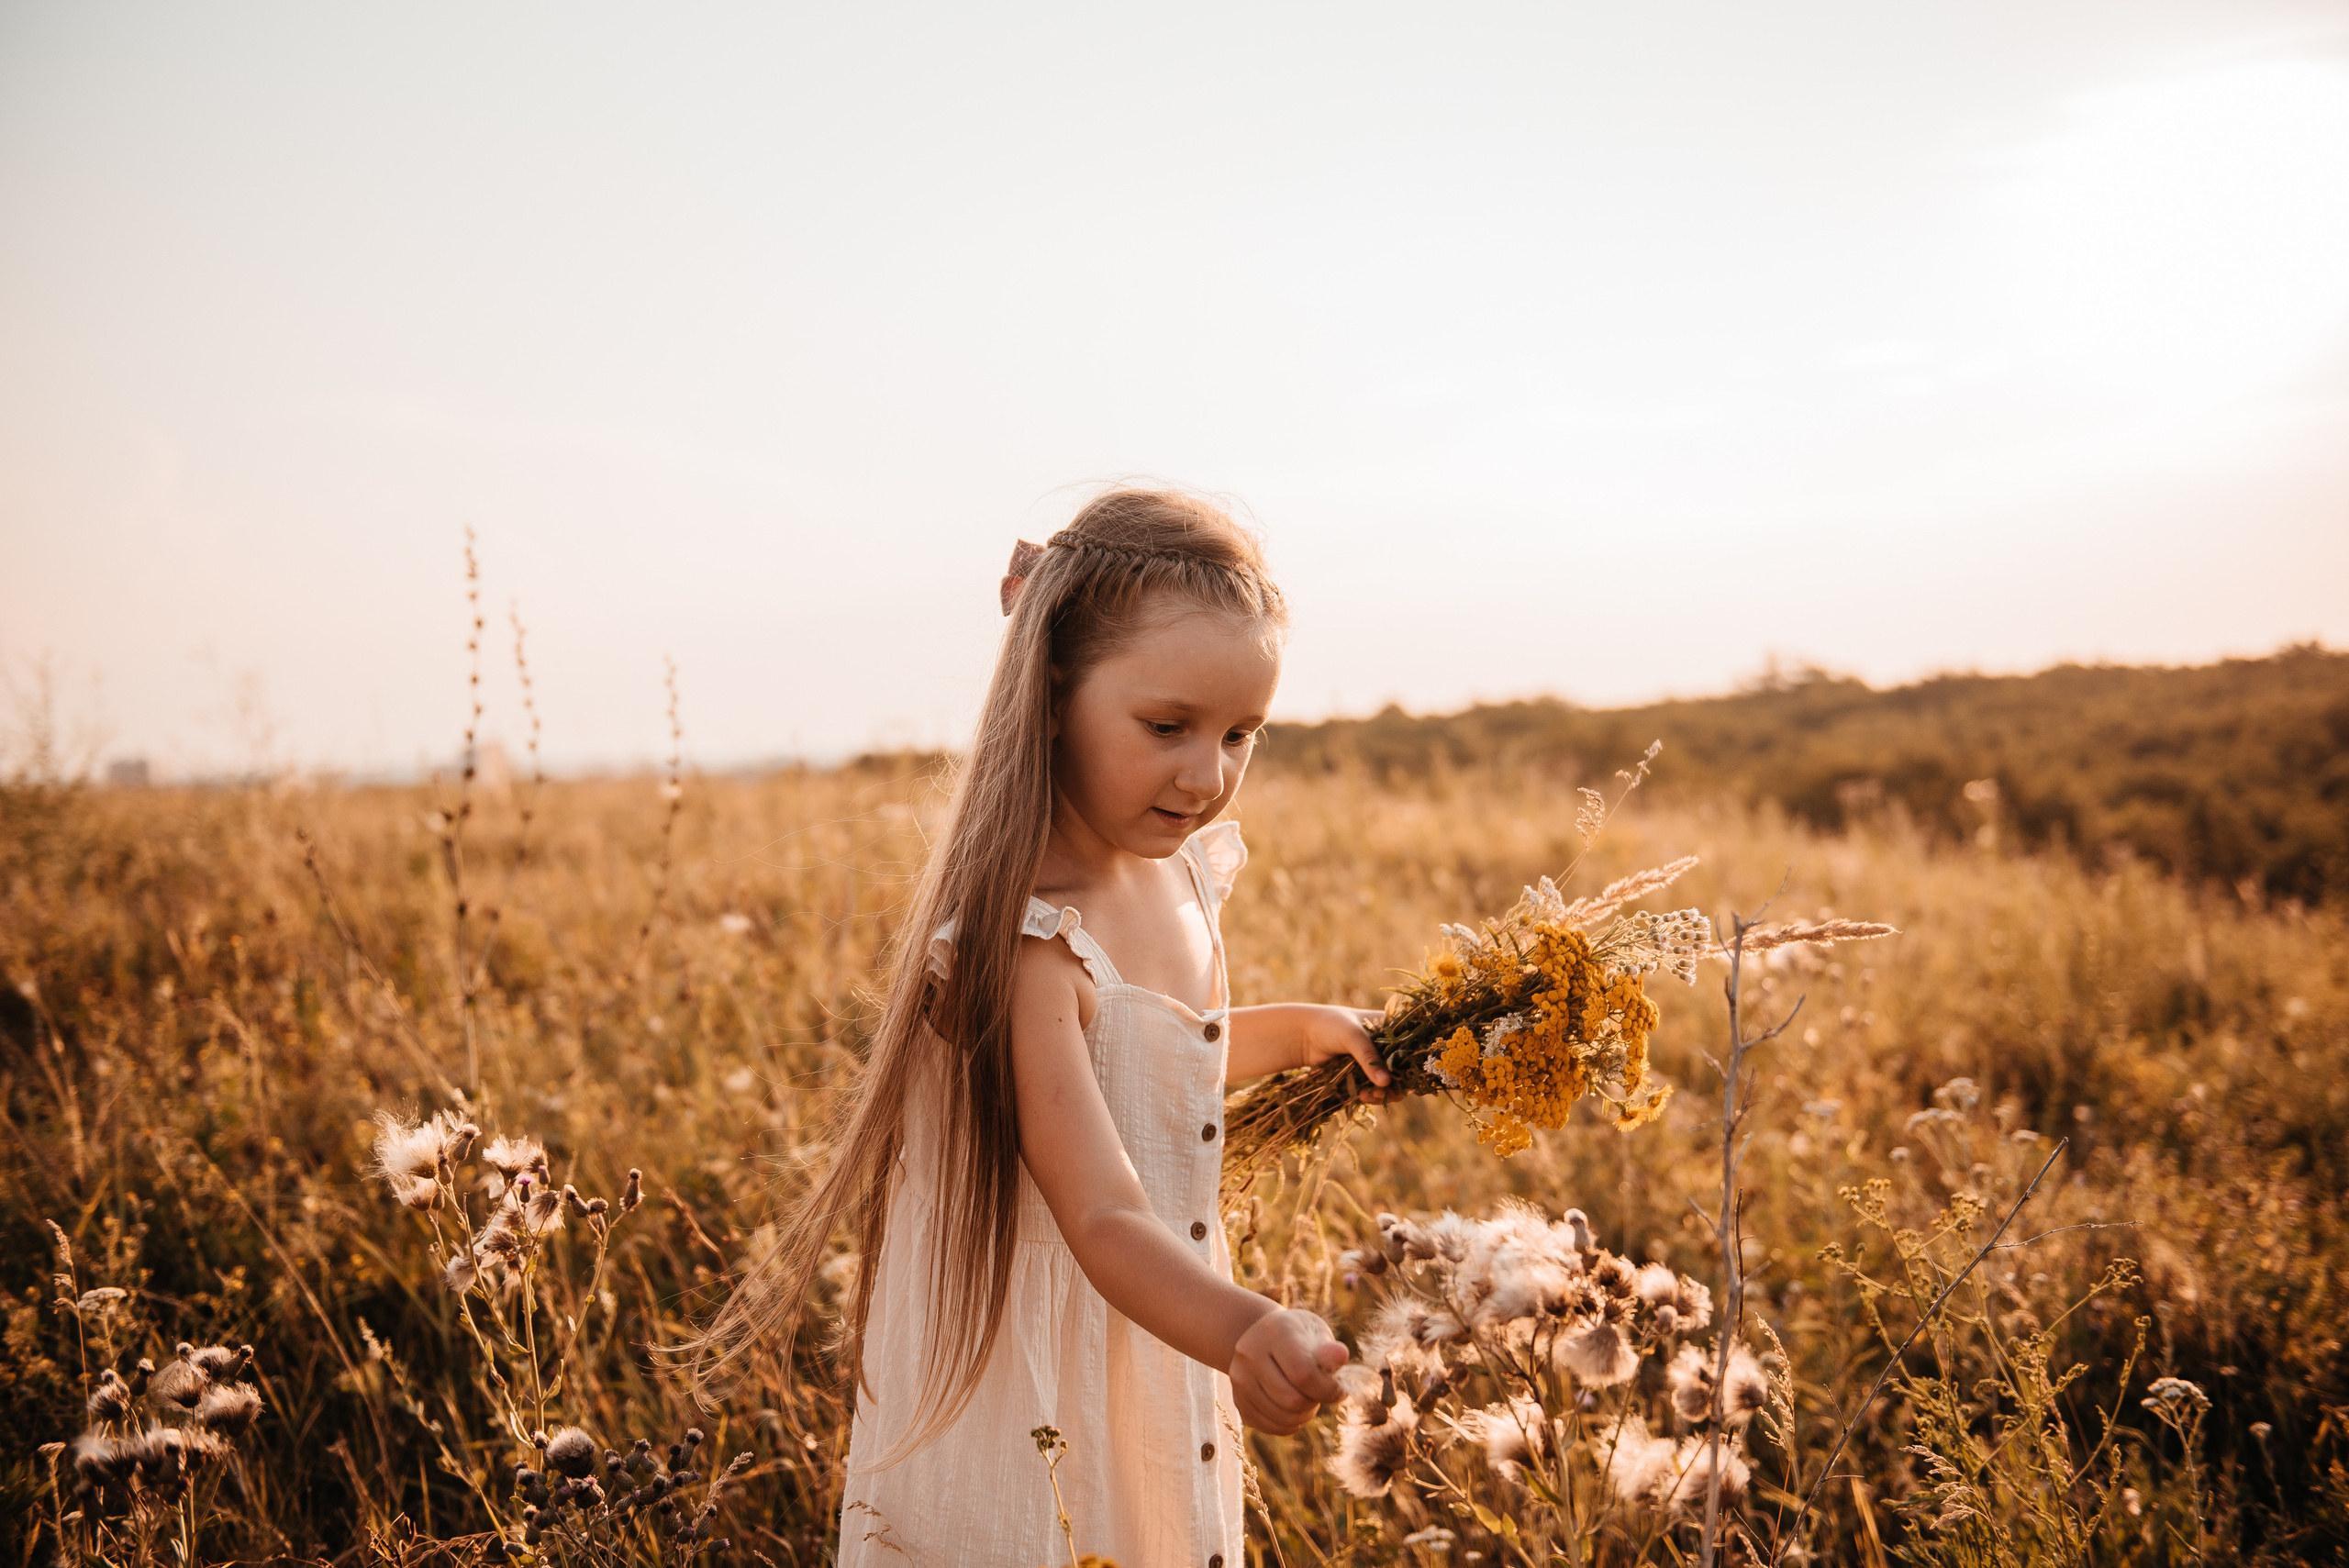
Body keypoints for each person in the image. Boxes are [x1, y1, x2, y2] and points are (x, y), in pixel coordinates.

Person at [682, 488, 1393, 1566]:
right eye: (1168, 727)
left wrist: (1298, 1032)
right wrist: (1242, 1327)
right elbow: (1102, 1210)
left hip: (1153, 1330)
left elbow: (1156, 1064)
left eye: (1240, 733)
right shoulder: (1023, 943)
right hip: (1052, 1373)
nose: (1206, 774)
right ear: (1054, 694)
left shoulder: (1179, 876)